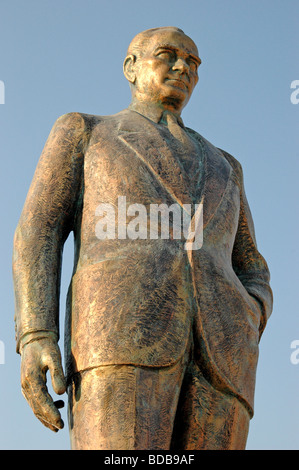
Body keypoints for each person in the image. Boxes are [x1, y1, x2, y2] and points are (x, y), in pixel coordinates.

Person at [13, 26, 273, 450]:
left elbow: (251, 263)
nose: (182, 67)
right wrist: (37, 334)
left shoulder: (228, 166)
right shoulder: (86, 131)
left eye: (193, 62)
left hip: (225, 356)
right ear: (131, 67)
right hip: (117, 338)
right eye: (168, 55)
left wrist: (253, 308)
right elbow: (39, 229)